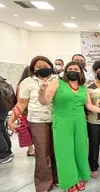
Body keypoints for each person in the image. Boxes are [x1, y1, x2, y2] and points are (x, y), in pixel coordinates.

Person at [38, 61, 100, 191]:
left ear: (81, 72)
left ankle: (78, 177)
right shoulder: (57, 82)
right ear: (66, 71)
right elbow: (45, 101)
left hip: (80, 122)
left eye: (76, 69)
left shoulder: (83, 87)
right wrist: (41, 92)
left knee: (80, 150)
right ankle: (69, 182)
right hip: (62, 121)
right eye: (70, 68)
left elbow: (89, 106)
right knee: (64, 152)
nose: (73, 71)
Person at [8, 56, 58, 192]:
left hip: (58, 120)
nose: (43, 69)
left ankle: (58, 177)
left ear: (51, 66)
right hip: (37, 121)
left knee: (58, 150)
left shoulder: (58, 80)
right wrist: (11, 120)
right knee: (42, 152)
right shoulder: (27, 82)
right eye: (39, 67)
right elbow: (22, 103)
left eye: (45, 66)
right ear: (33, 69)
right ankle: (44, 184)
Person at [16, 66, 35, 156]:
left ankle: (31, 148)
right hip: (26, 110)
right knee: (27, 130)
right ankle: (30, 149)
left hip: (26, 109)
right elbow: (21, 100)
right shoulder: (24, 84)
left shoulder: (21, 83)